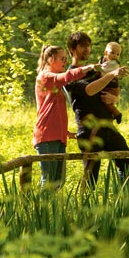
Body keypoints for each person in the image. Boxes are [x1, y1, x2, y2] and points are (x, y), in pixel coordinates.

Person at [65, 31, 129, 188]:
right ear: (72, 49)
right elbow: (90, 90)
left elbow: (109, 91)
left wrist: (115, 99)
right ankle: (85, 209)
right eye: (82, 46)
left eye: (89, 46)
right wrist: (112, 74)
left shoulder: (95, 71)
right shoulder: (70, 75)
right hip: (89, 131)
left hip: (108, 127)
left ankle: (127, 204)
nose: (87, 49)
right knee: (91, 179)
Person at [32, 45, 100, 189]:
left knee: (58, 182)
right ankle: (40, 210)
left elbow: (54, 109)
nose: (65, 62)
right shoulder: (45, 76)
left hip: (58, 136)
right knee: (49, 181)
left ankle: (49, 210)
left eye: (66, 59)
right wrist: (85, 68)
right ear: (51, 59)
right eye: (62, 59)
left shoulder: (57, 82)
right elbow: (66, 76)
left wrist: (65, 131)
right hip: (46, 136)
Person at [99, 41, 123, 124]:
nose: (115, 56)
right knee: (106, 102)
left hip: (112, 87)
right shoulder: (103, 61)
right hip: (108, 85)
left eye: (118, 54)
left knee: (107, 101)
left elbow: (103, 70)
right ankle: (111, 114)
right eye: (112, 53)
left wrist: (95, 69)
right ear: (106, 52)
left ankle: (117, 114)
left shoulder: (114, 64)